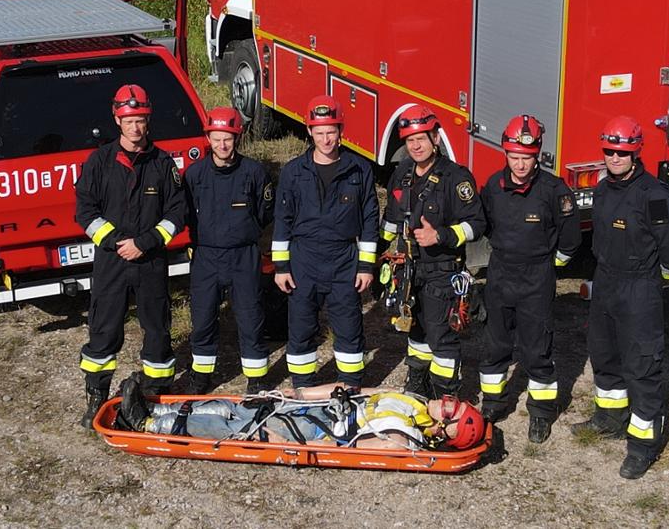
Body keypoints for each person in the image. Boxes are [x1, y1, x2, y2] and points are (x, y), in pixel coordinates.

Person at [573, 116, 669, 479]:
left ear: (636, 151)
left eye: (622, 151)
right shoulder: (605, 189)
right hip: (606, 281)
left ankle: (642, 446)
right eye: (609, 150)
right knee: (604, 354)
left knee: (642, 367)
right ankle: (609, 417)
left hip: (640, 287)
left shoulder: (654, 196)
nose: (614, 157)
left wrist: (659, 282)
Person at [73, 84, 190, 428]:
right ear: (117, 119)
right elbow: (85, 211)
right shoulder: (99, 161)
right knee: (104, 330)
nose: (135, 128)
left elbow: (177, 212)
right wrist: (113, 242)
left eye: (140, 120)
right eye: (129, 121)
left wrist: (147, 241)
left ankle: (156, 397)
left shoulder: (163, 163)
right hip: (111, 262)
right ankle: (96, 399)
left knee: (157, 329)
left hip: (150, 260)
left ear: (148, 120)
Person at [478, 114, 582, 444]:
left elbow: (570, 238)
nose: (520, 165)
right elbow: (487, 226)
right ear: (505, 154)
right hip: (500, 273)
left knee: (537, 348)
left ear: (537, 156)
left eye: (527, 158)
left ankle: (540, 413)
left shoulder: (554, 190)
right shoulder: (493, 187)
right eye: (514, 157)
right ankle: (492, 404)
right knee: (495, 344)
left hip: (537, 276)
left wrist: (551, 265)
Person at [272, 95, 380, 388]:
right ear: (309, 131)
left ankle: (351, 384)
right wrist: (281, 267)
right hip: (303, 259)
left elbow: (370, 219)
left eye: (331, 131)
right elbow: (282, 220)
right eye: (319, 132)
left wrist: (366, 266)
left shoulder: (359, 170)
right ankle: (303, 386)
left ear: (340, 130)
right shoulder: (294, 171)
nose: (326, 139)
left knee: (348, 327)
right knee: (302, 327)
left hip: (344, 258)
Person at [377, 104, 484, 399]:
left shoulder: (456, 178)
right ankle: (417, 385)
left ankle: (445, 395)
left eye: (422, 138)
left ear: (435, 138)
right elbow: (392, 218)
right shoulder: (401, 174)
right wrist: (377, 256)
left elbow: (477, 224)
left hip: (443, 271)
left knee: (442, 338)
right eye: (410, 140)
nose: (416, 146)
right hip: (409, 271)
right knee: (416, 331)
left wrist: (442, 235)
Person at [111, 374, 486, 452]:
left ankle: (143, 423)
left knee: (230, 424)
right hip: (313, 408)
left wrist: (282, 445)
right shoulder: (411, 401)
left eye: (453, 410)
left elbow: (349, 450)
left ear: (445, 429)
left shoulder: (405, 440)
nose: (448, 402)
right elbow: (351, 390)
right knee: (235, 407)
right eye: (455, 402)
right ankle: (155, 410)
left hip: (315, 430)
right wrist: (298, 392)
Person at [181, 106, 275, 394]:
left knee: (250, 317)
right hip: (206, 256)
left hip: (243, 255)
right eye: (217, 139)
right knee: (203, 318)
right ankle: (201, 376)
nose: (222, 145)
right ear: (208, 138)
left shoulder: (254, 172)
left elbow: (265, 212)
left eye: (228, 139)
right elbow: (185, 213)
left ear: (238, 137)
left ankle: (257, 378)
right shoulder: (194, 174)